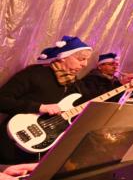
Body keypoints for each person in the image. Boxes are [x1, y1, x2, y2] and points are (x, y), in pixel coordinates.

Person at [0, 36, 93, 164]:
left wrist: (123, 87)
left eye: (87, 60)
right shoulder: (34, 74)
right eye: (81, 59)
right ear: (64, 57)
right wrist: (39, 107)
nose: (85, 64)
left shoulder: (75, 84)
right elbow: (2, 100)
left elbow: (91, 103)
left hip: (44, 148)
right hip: (13, 144)